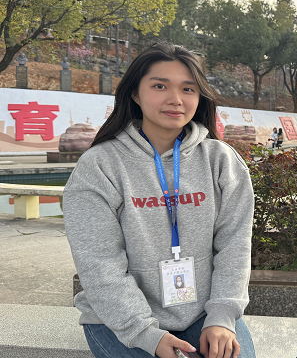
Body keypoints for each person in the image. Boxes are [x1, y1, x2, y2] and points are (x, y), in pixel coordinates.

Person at [63, 42, 256, 358]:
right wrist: (146, 334)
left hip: (203, 314)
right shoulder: (100, 166)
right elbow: (99, 263)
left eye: (188, 89)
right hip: (119, 321)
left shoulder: (221, 161)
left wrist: (222, 316)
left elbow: (234, 246)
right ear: (135, 94)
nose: (176, 99)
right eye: (160, 86)